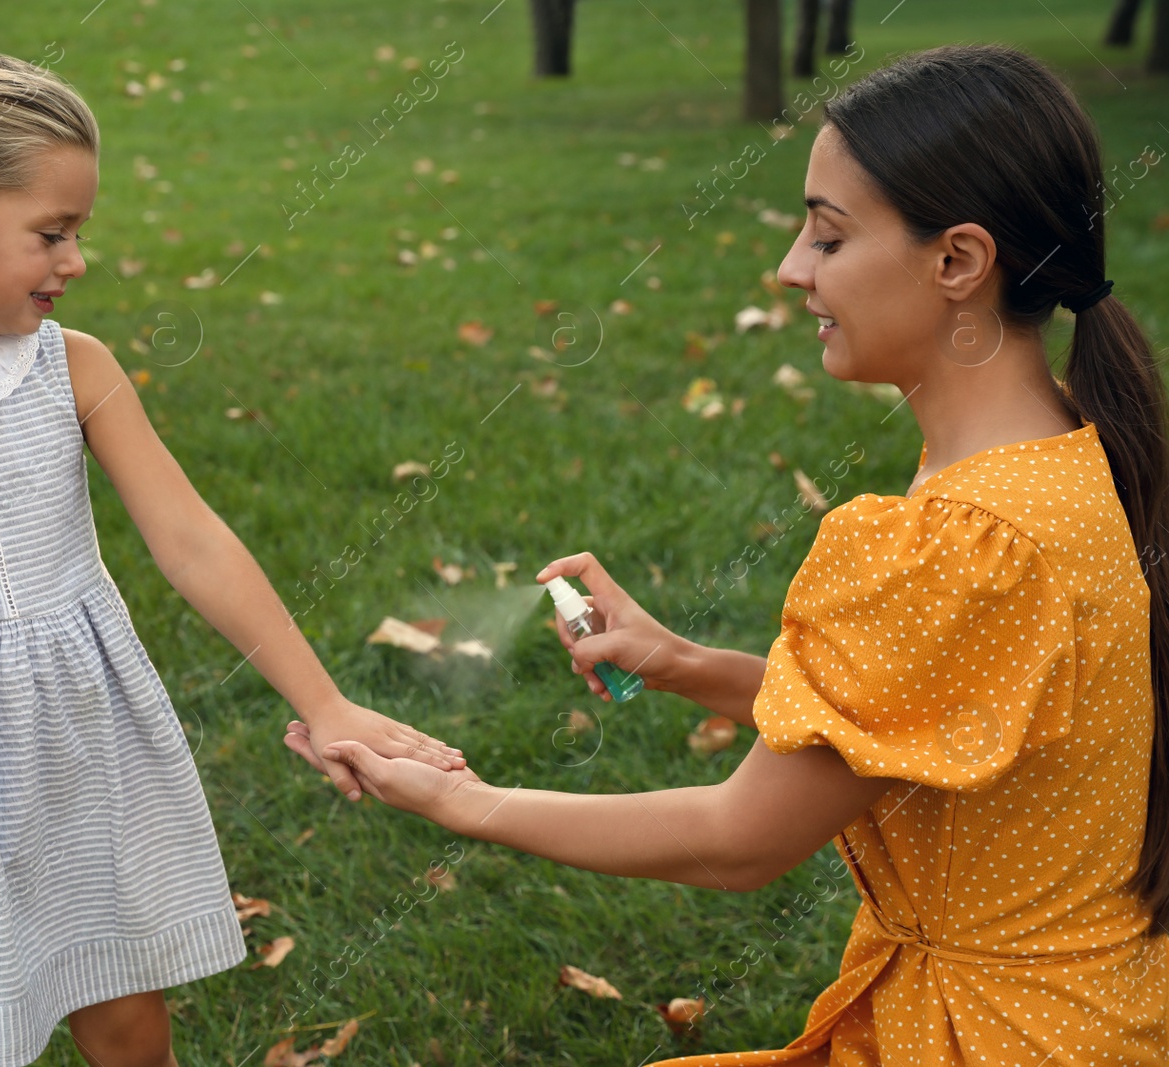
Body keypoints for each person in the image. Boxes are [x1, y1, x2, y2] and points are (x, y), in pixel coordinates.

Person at [284, 44, 1169, 1065]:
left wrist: (460, 799)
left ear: (958, 261)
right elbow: (922, 717)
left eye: (828, 236)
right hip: (1100, 1011)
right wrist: (682, 664)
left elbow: (739, 837)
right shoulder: (1071, 455)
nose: (791, 266)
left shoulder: (950, 540)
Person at [0, 50, 464, 1067]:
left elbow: (191, 539)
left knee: (128, 1022)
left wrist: (329, 701)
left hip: (72, 751)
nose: (75, 261)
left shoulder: (67, 369)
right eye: (52, 233)